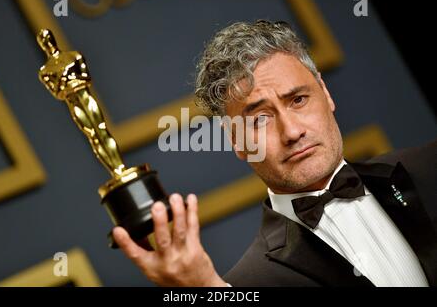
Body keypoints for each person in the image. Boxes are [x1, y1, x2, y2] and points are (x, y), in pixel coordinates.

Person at [112, 20, 437, 287]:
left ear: (325, 93)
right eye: (260, 119)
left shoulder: (430, 166)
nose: (292, 132)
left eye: (298, 100)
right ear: (236, 141)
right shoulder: (245, 284)